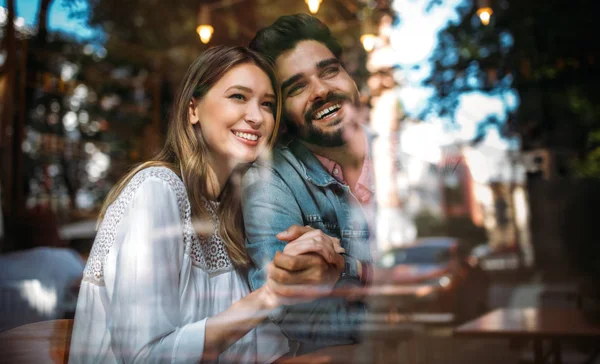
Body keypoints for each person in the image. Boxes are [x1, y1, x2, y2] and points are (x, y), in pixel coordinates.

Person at [69, 46, 343, 363]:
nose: (256, 117)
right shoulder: (157, 190)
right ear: (193, 110)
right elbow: (145, 357)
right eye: (238, 96)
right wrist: (271, 294)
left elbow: (258, 352)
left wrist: (316, 270)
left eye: (267, 104)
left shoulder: (232, 215)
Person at [242, 14, 375, 354]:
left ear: (349, 76)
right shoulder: (270, 181)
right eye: (297, 87)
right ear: (282, 111)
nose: (321, 91)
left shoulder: (401, 159)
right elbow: (299, 315)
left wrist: (353, 271)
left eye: (329, 70)